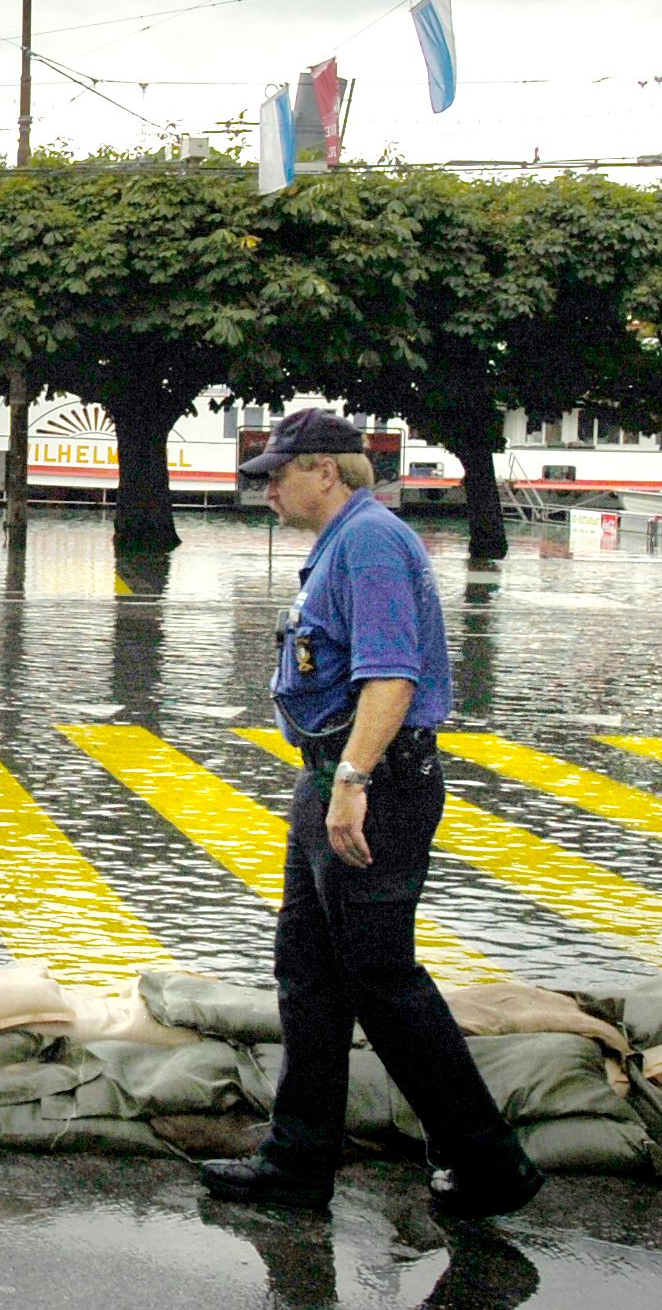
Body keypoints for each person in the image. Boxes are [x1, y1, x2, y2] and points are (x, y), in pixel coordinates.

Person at [199, 409, 542, 1219]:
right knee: (309, 974)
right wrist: (334, 782)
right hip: (331, 778)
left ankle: (489, 1162)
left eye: (277, 476)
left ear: (325, 471)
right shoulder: (341, 542)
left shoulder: (371, 543)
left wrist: (352, 782)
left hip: (371, 786)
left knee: (381, 978)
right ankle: (297, 1162)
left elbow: (392, 675)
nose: (266, 491)